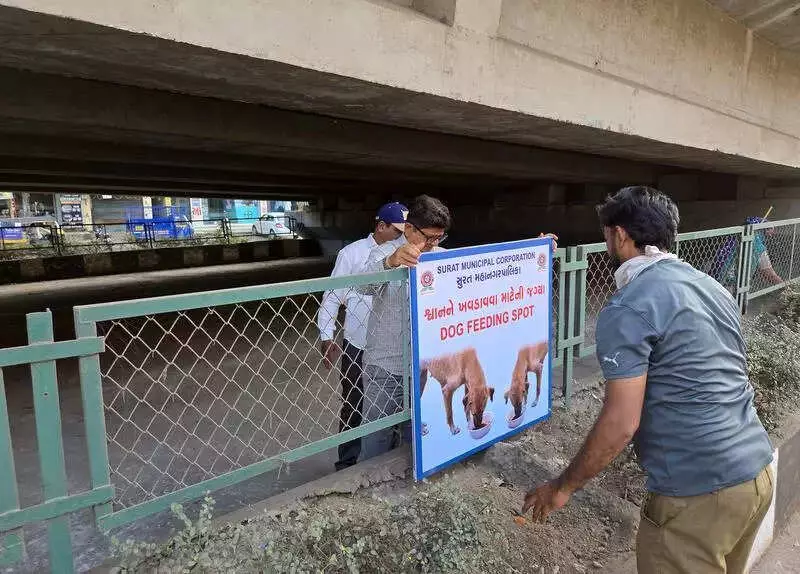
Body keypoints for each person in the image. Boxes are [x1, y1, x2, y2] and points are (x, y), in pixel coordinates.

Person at [522, 186, 774, 574]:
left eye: (606, 232)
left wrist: (561, 488)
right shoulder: (712, 287)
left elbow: (622, 424)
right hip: (756, 474)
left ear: (619, 235)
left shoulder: (629, 305)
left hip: (697, 495)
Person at [316, 202, 408, 470]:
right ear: (381, 226)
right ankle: (348, 463)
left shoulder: (407, 254)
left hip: (392, 345)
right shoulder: (352, 254)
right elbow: (333, 294)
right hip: (359, 343)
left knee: (392, 406)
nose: (403, 236)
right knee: (355, 403)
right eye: (398, 230)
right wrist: (327, 334)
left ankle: (387, 459)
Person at [709, 216, 782, 287]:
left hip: (715, 281)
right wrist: (785, 286)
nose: (770, 236)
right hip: (730, 282)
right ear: (761, 229)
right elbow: (769, 274)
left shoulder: (732, 239)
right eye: (769, 231)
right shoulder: (757, 245)